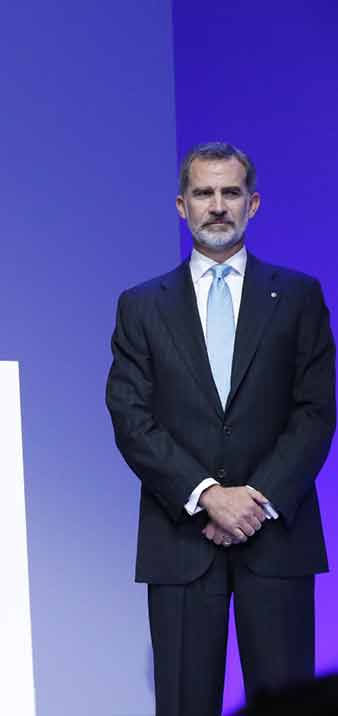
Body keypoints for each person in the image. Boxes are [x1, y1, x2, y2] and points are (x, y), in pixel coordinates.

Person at [106, 142, 334, 716]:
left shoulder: (300, 296)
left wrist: (253, 502)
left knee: (289, 706)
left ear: (253, 204)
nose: (217, 206)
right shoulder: (141, 306)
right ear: (181, 206)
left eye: (230, 193)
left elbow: (316, 412)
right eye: (203, 193)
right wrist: (208, 496)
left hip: (276, 535)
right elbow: (131, 417)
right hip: (180, 541)